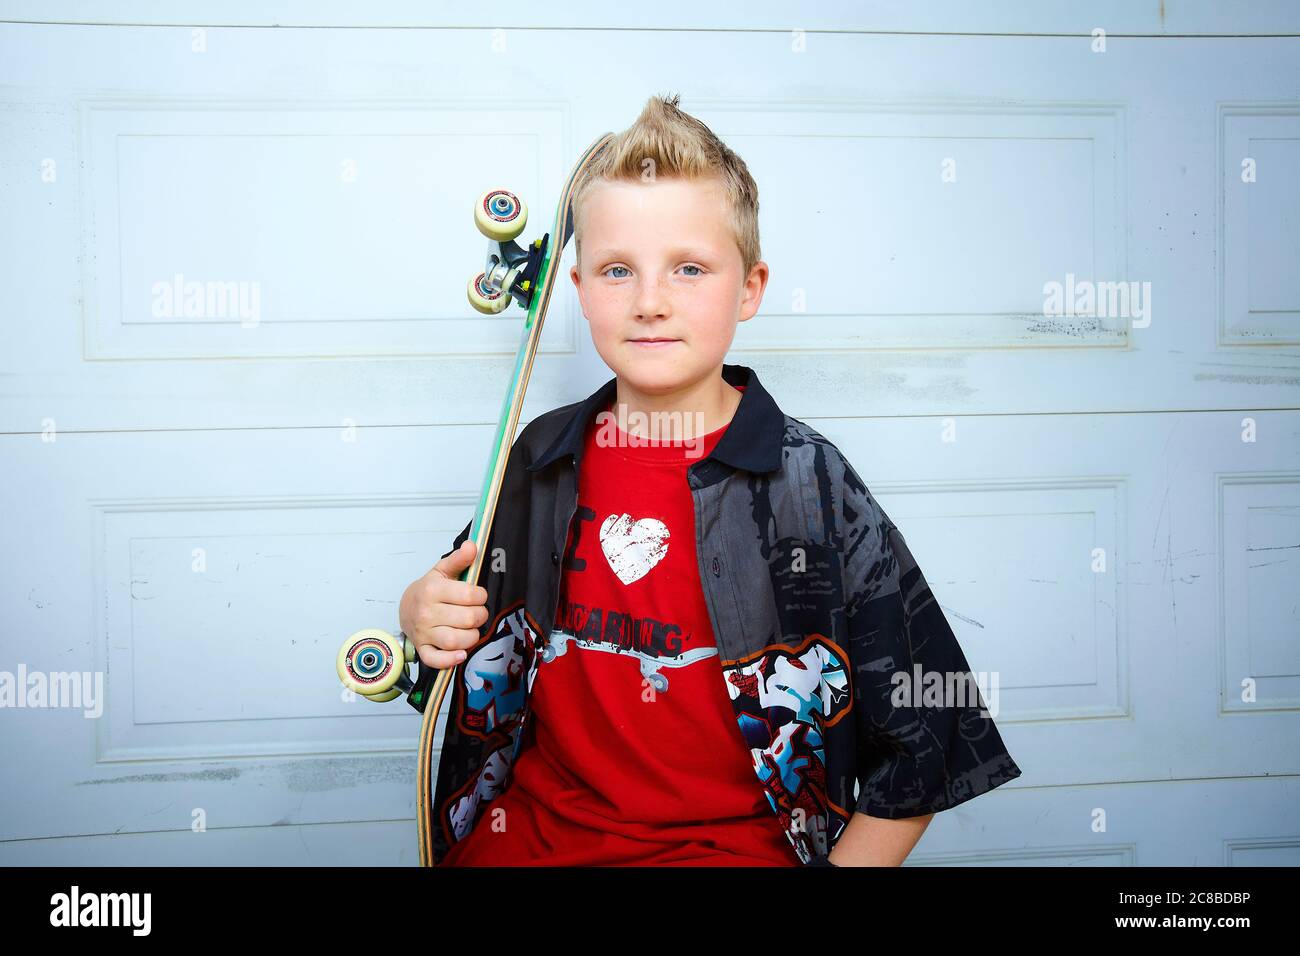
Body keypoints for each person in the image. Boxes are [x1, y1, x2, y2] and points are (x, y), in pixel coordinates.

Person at [399, 93, 1021, 867]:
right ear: (579, 287)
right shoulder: (543, 455)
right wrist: (420, 612)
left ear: (751, 288)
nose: (651, 301)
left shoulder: (811, 483)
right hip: (529, 841)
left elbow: (932, 731)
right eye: (617, 270)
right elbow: (461, 612)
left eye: (689, 268)